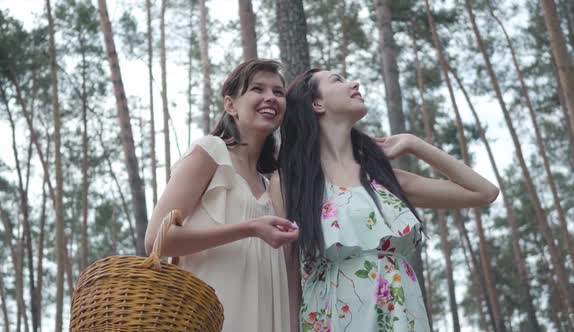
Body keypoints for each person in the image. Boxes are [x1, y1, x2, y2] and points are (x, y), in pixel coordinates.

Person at [270, 69, 499, 332]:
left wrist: (414, 144)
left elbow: (484, 192)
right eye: (338, 80)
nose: (354, 82)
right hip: (333, 314)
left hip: (402, 312)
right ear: (316, 103)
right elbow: (288, 268)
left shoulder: (384, 179)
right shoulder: (291, 182)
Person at [144, 59, 299, 332]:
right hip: (211, 313)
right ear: (230, 105)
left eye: (278, 92)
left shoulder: (273, 183)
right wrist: (249, 228)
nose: (270, 98)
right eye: (257, 89)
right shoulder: (211, 153)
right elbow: (157, 238)